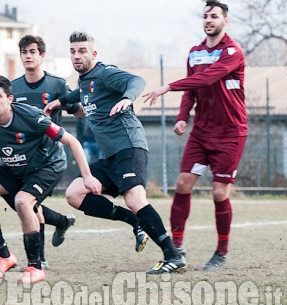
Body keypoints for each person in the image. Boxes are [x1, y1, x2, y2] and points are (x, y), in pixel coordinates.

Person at [44, 31, 185, 274]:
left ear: (94, 54)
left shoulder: (105, 72)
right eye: (73, 51)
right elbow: (80, 97)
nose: (77, 56)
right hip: (109, 156)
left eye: (82, 51)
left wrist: (128, 99)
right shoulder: (85, 81)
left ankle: (173, 255)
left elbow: (136, 81)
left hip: (129, 146)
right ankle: (134, 221)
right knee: (75, 193)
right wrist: (59, 102)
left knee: (134, 199)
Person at [142, 0, 247, 271]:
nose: (208, 21)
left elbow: (208, 78)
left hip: (230, 133)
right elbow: (192, 90)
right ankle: (177, 250)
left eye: (214, 16)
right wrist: (181, 118)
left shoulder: (233, 52)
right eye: (205, 16)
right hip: (201, 132)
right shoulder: (194, 52)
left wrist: (167, 87)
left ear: (226, 20)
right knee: (183, 184)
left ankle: (221, 252)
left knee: (219, 193)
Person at [0, 75, 97, 285]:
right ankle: (3, 256)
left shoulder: (31, 116)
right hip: (13, 167)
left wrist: (87, 176)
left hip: (47, 165)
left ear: (10, 99)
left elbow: (72, 141)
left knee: (22, 202)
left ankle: (35, 266)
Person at [9, 35, 80, 266]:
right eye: (24, 52)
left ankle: (38, 260)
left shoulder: (57, 85)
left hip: (49, 160)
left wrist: (97, 108)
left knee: (28, 204)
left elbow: (78, 110)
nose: (27, 56)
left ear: (42, 55)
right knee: (25, 204)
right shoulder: (13, 87)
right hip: (23, 159)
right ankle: (60, 222)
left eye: (32, 51)